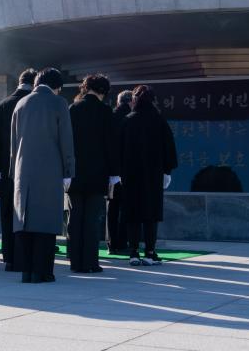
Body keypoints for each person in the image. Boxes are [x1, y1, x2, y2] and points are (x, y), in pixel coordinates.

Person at [10, 67, 75, 283]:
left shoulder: (21, 103)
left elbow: (13, 142)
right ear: (57, 87)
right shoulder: (59, 103)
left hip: (22, 171)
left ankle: (26, 271)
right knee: (46, 223)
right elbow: (66, 140)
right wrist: (68, 171)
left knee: (24, 222)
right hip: (49, 169)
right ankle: (42, 271)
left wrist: (13, 171)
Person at [119, 85, 177, 266]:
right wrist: (167, 171)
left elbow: (117, 150)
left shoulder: (127, 120)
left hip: (131, 175)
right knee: (151, 214)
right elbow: (169, 148)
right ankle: (150, 252)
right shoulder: (159, 120)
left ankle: (134, 252)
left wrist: (118, 172)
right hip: (153, 175)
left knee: (133, 214)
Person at [67, 75, 119, 273]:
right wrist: (114, 174)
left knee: (74, 217)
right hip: (98, 174)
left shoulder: (73, 109)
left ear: (85, 87)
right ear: (103, 91)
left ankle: (75, 261)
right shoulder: (106, 112)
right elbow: (111, 146)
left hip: (74, 174)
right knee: (92, 220)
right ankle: (90, 262)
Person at [0, 68, 36, 271]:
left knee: (8, 213)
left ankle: (9, 256)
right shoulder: (35, 103)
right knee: (28, 214)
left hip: (5, 169)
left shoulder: (1, 105)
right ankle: (25, 256)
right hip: (29, 167)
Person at [105, 89, 133, 254]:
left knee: (112, 206)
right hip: (127, 169)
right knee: (125, 207)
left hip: (111, 170)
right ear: (130, 102)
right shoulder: (131, 118)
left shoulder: (111, 117)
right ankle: (123, 242)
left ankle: (111, 243)